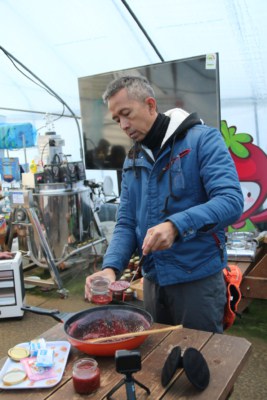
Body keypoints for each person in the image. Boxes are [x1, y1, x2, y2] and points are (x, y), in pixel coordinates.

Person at [85, 75, 244, 333]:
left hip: (198, 281)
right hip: (154, 281)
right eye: (116, 119)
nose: (123, 125)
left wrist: (176, 226)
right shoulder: (133, 160)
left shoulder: (202, 140)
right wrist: (110, 268)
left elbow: (231, 201)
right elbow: (126, 222)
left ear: (150, 105)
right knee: (158, 361)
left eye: (126, 114)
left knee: (198, 360)